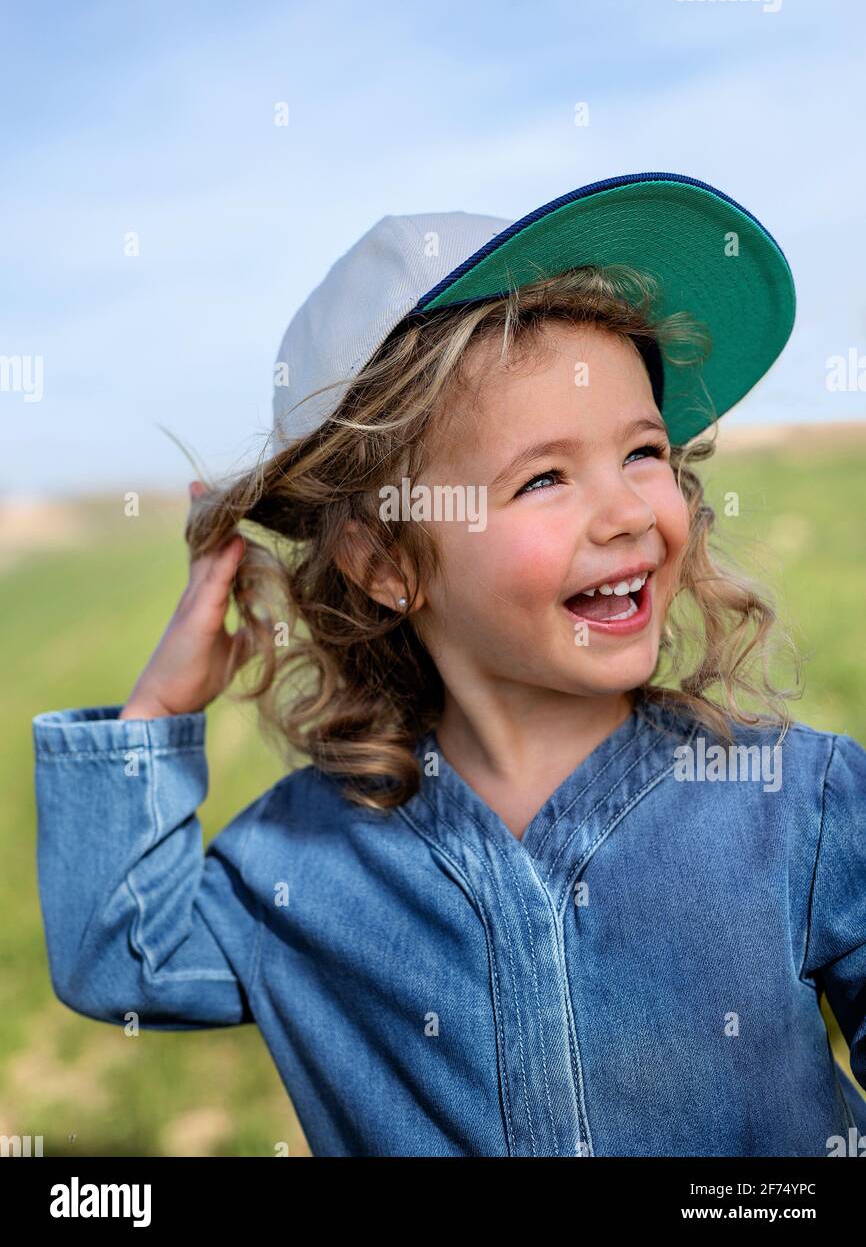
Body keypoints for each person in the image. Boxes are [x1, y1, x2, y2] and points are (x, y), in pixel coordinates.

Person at [32, 173, 866, 1157]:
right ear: (385, 563)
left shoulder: (798, 804)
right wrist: (158, 708)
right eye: (543, 477)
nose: (628, 511)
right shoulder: (301, 863)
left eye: (643, 451)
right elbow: (120, 960)